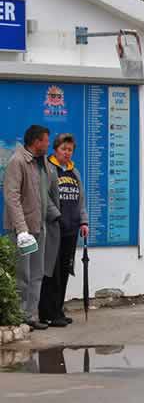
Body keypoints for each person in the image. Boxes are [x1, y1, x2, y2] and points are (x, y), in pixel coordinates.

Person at [3, 125, 61, 330]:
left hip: (39, 227)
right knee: (22, 275)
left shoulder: (42, 162)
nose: (48, 144)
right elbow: (12, 198)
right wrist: (21, 229)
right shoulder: (17, 161)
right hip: (23, 231)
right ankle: (18, 316)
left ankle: (30, 316)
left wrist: (54, 216)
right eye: (46, 140)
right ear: (36, 142)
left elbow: (45, 194)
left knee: (37, 273)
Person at [38, 134, 89, 327]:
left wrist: (83, 222)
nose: (67, 153)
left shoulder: (74, 172)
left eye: (70, 150)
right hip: (54, 229)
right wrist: (56, 216)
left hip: (71, 230)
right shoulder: (48, 169)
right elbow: (44, 197)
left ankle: (58, 310)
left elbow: (80, 201)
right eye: (63, 149)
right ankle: (47, 313)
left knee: (65, 270)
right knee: (51, 271)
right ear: (55, 149)